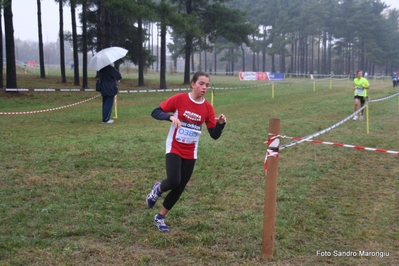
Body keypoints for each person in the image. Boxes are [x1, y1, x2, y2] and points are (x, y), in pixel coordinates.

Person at [146, 71, 227, 232]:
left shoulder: (208, 108)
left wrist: (220, 124)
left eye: (207, 85)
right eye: (201, 84)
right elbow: (155, 112)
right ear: (193, 84)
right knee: (174, 180)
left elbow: (214, 135)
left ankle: (160, 217)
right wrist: (169, 117)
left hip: (191, 151)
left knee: (180, 187)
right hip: (174, 147)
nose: (204, 88)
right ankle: (158, 189)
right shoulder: (180, 99)